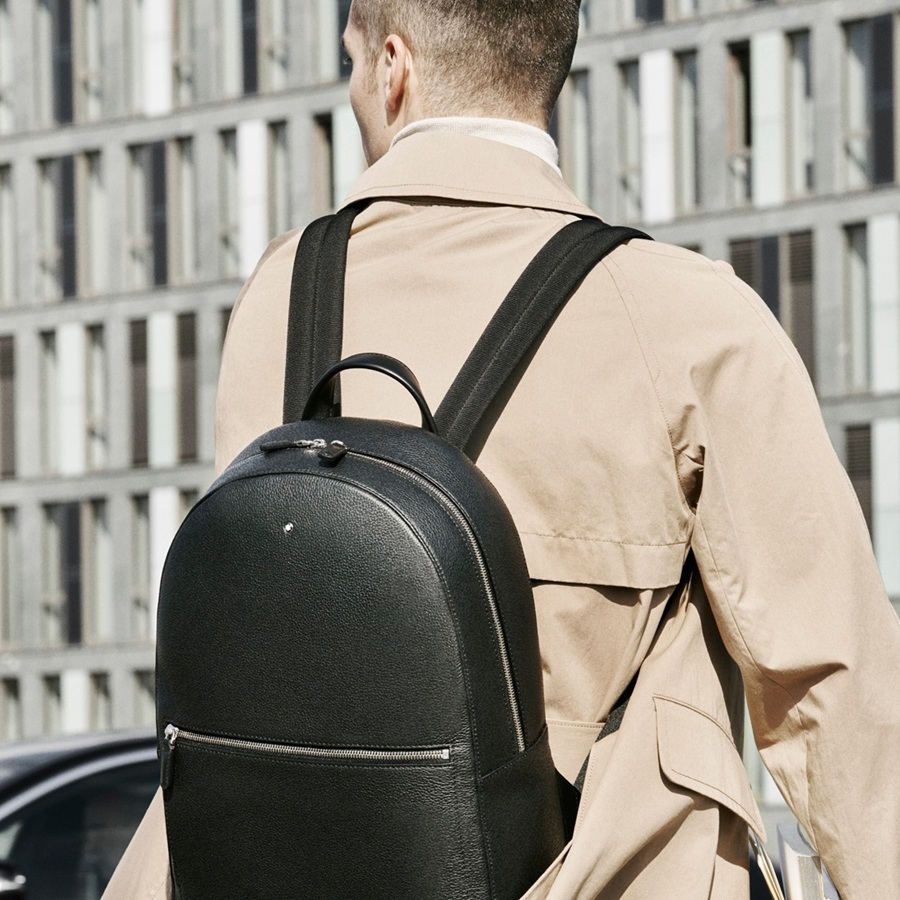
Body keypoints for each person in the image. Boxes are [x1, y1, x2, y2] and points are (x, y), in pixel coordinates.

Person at [103, 1, 900, 898]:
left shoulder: (282, 294)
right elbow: (834, 689)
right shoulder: (684, 316)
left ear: (393, 69)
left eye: (352, 62)